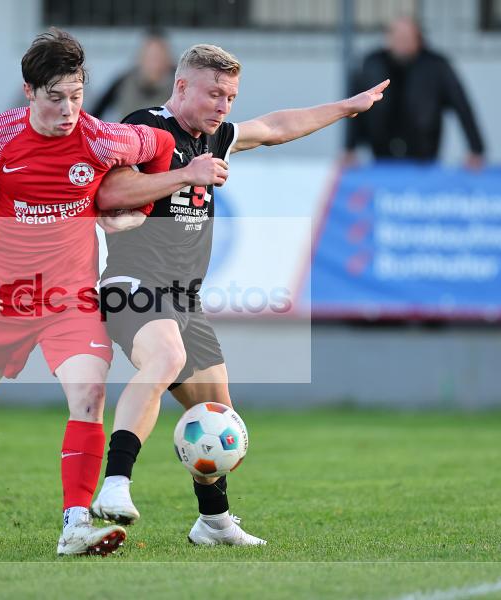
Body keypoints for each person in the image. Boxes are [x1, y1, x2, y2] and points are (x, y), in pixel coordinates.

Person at [0, 28, 227, 557]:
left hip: (71, 300)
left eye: (76, 95)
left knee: (90, 394)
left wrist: (136, 211)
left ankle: (75, 521)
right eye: (55, 98)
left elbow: (163, 144)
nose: (69, 110)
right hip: (5, 297)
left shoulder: (100, 136)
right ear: (29, 91)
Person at [88, 44, 387, 545]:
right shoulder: (147, 127)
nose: (224, 106)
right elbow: (110, 195)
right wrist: (186, 174)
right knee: (165, 357)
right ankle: (116, 483)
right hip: (132, 284)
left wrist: (344, 108)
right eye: (214, 94)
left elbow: (274, 128)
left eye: (230, 96)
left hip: (184, 298)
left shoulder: (215, 137)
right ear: (181, 87)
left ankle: (213, 522)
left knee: (217, 418)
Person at [343, 16, 484, 167]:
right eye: (398, 37)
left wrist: (475, 148)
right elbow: (356, 106)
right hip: (382, 153)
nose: (402, 43)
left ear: (419, 39)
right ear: (388, 38)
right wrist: (349, 148)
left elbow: (461, 105)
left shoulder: (436, 65)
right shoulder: (372, 64)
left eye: (407, 38)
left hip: (424, 152)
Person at [90, 28, 175, 121]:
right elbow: (94, 114)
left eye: (158, 56)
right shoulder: (124, 82)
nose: (154, 64)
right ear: (140, 57)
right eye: (150, 56)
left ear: (168, 58)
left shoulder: (180, 84)